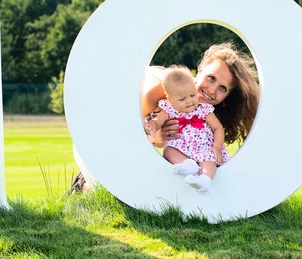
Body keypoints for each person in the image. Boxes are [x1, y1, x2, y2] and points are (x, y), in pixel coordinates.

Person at [68, 42, 259, 193]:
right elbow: (125, 134)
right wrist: (158, 135)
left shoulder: (207, 110)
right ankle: (84, 185)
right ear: (200, 69)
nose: (212, 90)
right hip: (109, 150)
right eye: (211, 78)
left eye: (222, 88)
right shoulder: (164, 88)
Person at [144, 66, 230, 194]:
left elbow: (217, 128)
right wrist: (151, 126)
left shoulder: (203, 109)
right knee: (169, 150)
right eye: (182, 99)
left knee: (209, 159)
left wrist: (217, 147)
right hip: (180, 146)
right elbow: (157, 121)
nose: (189, 101)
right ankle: (188, 166)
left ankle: (205, 179)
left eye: (192, 95)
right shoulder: (169, 108)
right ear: (170, 100)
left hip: (203, 145)